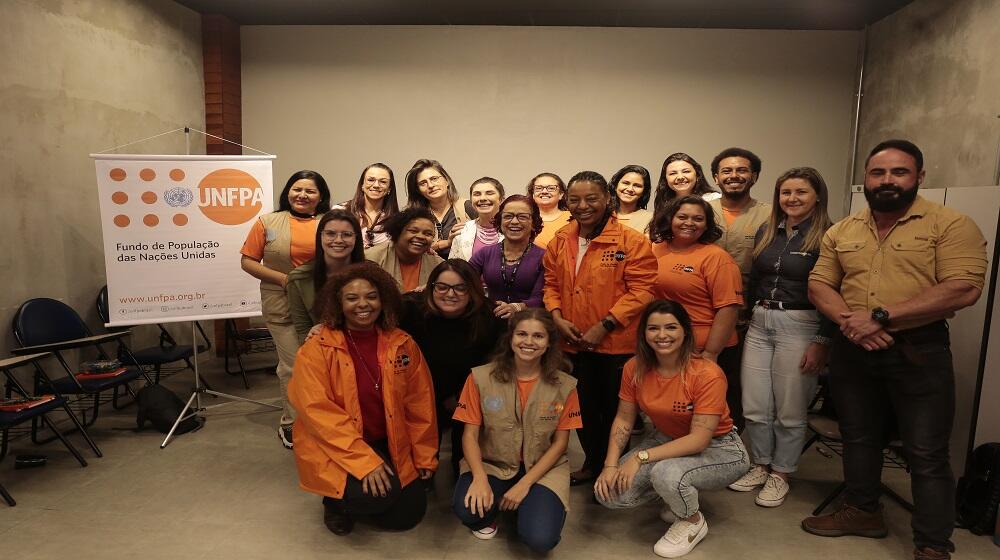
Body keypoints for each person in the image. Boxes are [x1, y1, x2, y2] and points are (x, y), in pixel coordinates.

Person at [802, 140, 987, 560]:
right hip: (854, 347)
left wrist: (880, 317)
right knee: (859, 438)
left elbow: (963, 288)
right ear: (865, 178)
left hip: (917, 350)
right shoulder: (843, 229)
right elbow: (819, 285)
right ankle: (863, 512)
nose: (887, 180)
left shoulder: (951, 224)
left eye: (898, 172)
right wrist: (853, 323)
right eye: (878, 173)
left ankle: (933, 544)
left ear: (919, 177)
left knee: (926, 450)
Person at [289, 262, 437, 536]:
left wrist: (425, 455)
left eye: (371, 296)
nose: (363, 304)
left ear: (384, 300)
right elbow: (318, 415)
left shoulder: (402, 343)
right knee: (373, 496)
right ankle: (335, 503)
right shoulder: (317, 348)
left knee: (408, 515)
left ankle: (364, 492)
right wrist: (365, 463)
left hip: (387, 438)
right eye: (352, 297)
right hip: (337, 444)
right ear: (337, 303)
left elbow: (420, 405)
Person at [595, 300, 749, 558]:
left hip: (721, 448)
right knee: (610, 495)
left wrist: (639, 457)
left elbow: (699, 440)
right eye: (653, 328)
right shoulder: (635, 367)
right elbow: (623, 419)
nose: (662, 335)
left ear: (685, 332)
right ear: (644, 333)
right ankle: (676, 494)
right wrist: (610, 465)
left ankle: (692, 520)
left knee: (667, 473)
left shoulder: (707, 373)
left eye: (671, 327)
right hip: (667, 439)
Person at [728, 167, 835, 507]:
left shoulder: (829, 236)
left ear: (817, 196)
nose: (792, 199)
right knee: (756, 404)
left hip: (801, 323)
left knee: (790, 408)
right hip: (760, 321)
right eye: (786, 192)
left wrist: (823, 340)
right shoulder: (766, 231)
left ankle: (782, 473)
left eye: (801, 192)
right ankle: (760, 464)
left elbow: (838, 291)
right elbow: (754, 279)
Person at [543, 170, 657, 485]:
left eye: (591, 198)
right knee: (582, 411)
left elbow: (642, 291)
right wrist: (555, 316)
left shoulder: (631, 241)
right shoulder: (561, 239)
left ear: (607, 198)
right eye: (575, 199)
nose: (583, 205)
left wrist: (605, 324)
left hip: (614, 346)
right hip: (571, 343)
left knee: (614, 413)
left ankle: (618, 474)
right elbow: (551, 283)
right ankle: (593, 466)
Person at [452, 308, 581, 551]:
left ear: (549, 343)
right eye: (522, 334)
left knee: (540, 540)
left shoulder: (565, 385)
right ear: (510, 338)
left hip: (543, 468)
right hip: (493, 463)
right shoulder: (480, 378)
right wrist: (479, 478)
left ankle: (528, 504)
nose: (529, 342)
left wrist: (525, 484)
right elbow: (469, 435)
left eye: (538, 336)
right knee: (469, 512)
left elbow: (561, 444)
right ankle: (504, 503)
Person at [240, 169, 331, 449]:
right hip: (281, 305)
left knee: (325, 367)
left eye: (310, 191)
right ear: (288, 191)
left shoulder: (330, 222)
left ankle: (323, 420)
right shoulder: (267, 222)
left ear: (321, 196)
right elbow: (248, 261)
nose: (302, 195)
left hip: (322, 304)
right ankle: (291, 423)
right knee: (292, 366)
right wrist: (285, 280)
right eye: (297, 189)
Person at [399, 260, 506, 474]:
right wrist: (326, 325)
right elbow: (368, 311)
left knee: (463, 463)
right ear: (431, 287)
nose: (450, 294)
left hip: (469, 395)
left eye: (460, 288)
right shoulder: (411, 309)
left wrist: (461, 397)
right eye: (442, 287)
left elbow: (495, 364)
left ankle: (464, 467)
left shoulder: (491, 316)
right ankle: (423, 467)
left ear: (473, 290)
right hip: (422, 393)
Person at [649, 196, 744, 430]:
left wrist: (711, 353)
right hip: (670, 346)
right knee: (680, 413)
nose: (689, 223)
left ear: (707, 224)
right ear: (670, 219)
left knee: (715, 416)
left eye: (698, 219)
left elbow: (728, 308)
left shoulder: (717, 257)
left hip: (708, 350)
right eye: (682, 216)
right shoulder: (654, 250)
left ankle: (726, 458)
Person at [287, 209, 367, 345]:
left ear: (356, 238)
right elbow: (302, 330)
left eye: (347, 234)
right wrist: (314, 335)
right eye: (330, 234)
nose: (338, 240)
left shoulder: (370, 274)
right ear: (320, 236)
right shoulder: (299, 278)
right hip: (324, 349)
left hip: (366, 343)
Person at [469, 194, 546, 319]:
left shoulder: (544, 257)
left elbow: (540, 298)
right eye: (508, 216)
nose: (514, 222)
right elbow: (463, 278)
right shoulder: (485, 254)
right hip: (491, 321)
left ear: (534, 223)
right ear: (500, 221)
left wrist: (516, 307)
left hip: (530, 323)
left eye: (522, 217)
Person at [707, 147, 771, 294]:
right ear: (716, 178)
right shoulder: (701, 212)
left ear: (754, 177)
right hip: (705, 298)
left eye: (742, 170)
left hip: (752, 299)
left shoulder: (771, 214)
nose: (734, 175)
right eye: (726, 171)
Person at [365, 207, 444, 292]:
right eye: (413, 231)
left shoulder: (439, 266)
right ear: (398, 232)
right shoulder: (371, 259)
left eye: (428, 234)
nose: (420, 236)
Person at [404, 159, 470, 259]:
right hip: (427, 272)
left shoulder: (467, 207)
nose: (430, 185)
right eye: (423, 183)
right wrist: (446, 243)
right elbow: (406, 248)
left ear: (447, 180)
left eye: (434, 178)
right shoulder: (412, 216)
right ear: (418, 190)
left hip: (464, 271)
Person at [338, 163, 400, 249]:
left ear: (389, 188)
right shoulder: (341, 211)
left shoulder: (397, 220)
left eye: (383, 182)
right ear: (362, 185)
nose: (376, 185)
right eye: (371, 180)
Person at [651, 153, 720, 219]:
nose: (680, 177)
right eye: (673, 173)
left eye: (686, 171)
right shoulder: (663, 206)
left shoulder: (714, 200)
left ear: (698, 175)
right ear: (665, 179)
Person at [450, 177, 505, 261]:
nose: (482, 198)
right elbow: (453, 268)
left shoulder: (513, 229)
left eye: (489, 193)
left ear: (501, 200)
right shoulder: (462, 231)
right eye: (477, 194)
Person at [527, 172, 570, 249]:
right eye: (539, 188)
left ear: (561, 194)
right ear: (533, 194)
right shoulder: (525, 219)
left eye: (551, 188)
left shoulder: (573, 218)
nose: (544, 192)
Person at [610, 164, 654, 235]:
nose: (630, 189)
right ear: (615, 186)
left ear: (644, 192)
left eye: (637, 186)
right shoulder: (602, 215)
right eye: (626, 183)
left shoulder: (650, 219)